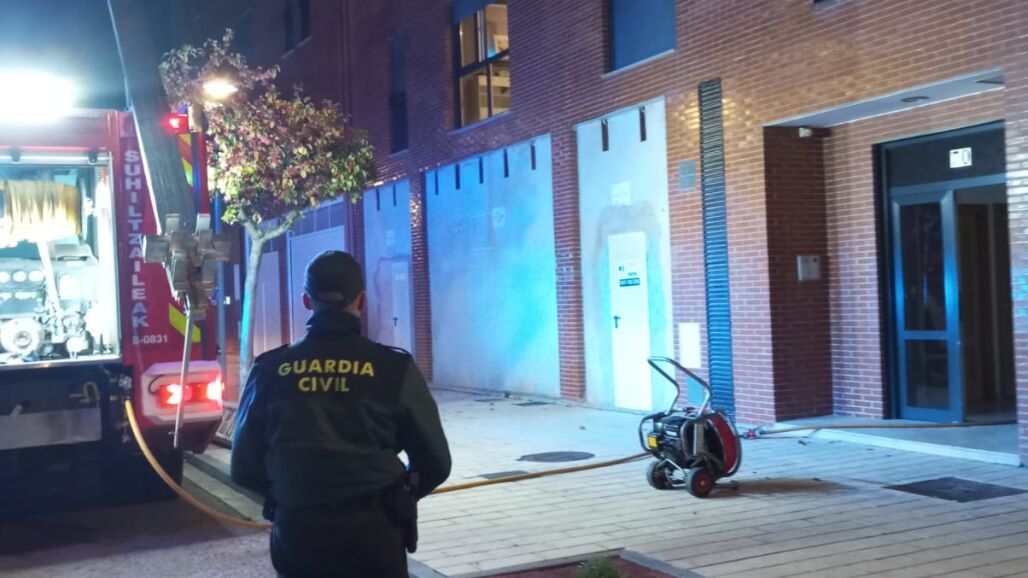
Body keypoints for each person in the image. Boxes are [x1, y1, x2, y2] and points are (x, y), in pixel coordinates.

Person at [231, 250, 451, 578]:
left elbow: (243, 467)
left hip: (299, 534)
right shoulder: (393, 368)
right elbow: (436, 462)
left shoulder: (271, 369)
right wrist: (397, 496)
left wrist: (291, 495)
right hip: (375, 533)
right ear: (362, 300)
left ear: (306, 301)